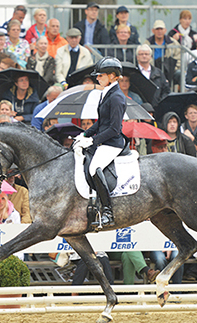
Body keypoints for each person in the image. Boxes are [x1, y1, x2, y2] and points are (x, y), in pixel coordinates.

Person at [72, 57, 125, 228]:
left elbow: (114, 129)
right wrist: (85, 134)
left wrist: (93, 141)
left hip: (113, 143)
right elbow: (102, 122)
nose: (97, 78)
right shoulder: (106, 92)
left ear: (112, 76)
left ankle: (108, 211)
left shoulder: (117, 97)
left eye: (101, 75)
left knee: (95, 168)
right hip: (104, 139)